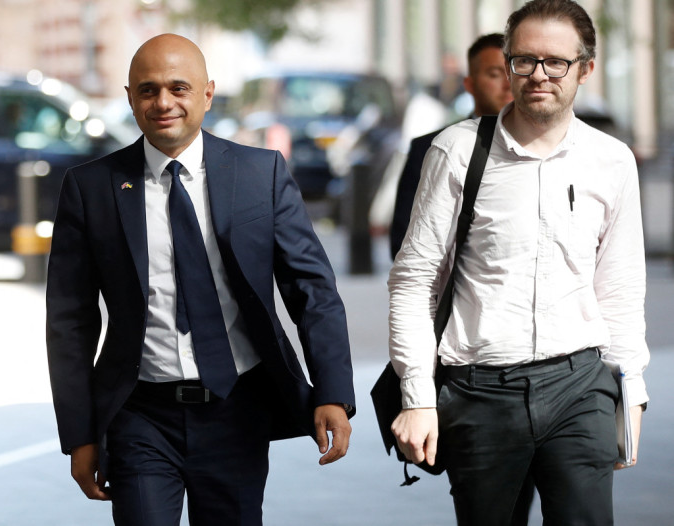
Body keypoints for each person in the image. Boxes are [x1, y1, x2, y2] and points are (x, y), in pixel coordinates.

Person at [46, 33, 355, 526]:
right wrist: (80, 435)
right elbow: (70, 320)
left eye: (178, 87)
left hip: (237, 409)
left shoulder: (261, 174)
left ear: (207, 94)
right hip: (139, 413)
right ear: (129, 98)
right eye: (147, 90)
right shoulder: (90, 188)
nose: (163, 102)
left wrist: (333, 392)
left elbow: (312, 289)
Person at [388, 1, 649, 524]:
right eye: (524, 60)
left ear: (585, 69)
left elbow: (618, 286)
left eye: (556, 62)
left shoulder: (611, 159)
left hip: (580, 385)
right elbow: (414, 282)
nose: (538, 75)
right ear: (509, 65)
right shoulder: (457, 151)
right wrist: (417, 396)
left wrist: (631, 390)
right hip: (480, 391)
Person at [389, 33, 513, 258]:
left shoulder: (548, 148)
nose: (508, 84)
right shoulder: (432, 147)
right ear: (469, 84)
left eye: (514, 73)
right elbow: (403, 242)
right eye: (495, 74)